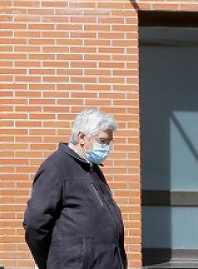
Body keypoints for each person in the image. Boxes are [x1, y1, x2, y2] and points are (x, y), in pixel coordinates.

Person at [22, 108, 126, 269]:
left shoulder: (92, 169)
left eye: (109, 142)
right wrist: (46, 261)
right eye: (102, 141)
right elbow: (35, 222)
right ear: (82, 137)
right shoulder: (57, 166)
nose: (106, 147)